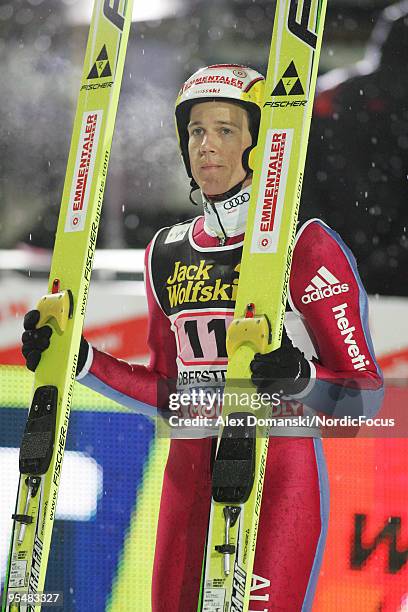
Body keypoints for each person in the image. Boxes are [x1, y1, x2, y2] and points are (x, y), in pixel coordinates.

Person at [22, 64, 384, 611]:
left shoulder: (306, 245)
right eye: (195, 131)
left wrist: (301, 379)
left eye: (226, 130)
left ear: (258, 144)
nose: (206, 146)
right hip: (189, 474)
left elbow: (365, 399)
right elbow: (172, 396)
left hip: (275, 475)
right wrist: (80, 361)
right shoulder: (166, 251)